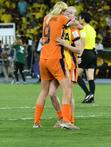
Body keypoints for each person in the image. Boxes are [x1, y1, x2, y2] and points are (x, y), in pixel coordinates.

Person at [33, 1, 76, 129]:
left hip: (43, 58)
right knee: (67, 89)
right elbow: (74, 24)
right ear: (62, 11)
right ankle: (66, 121)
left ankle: (36, 122)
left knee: (44, 91)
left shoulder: (46, 18)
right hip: (55, 57)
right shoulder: (62, 18)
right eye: (66, 11)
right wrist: (78, 22)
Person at [78, 12, 97, 103]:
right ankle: (91, 98)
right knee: (90, 78)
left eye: (80, 18)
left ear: (83, 19)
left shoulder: (83, 29)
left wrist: (79, 56)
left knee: (75, 75)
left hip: (85, 53)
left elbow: (82, 43)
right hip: (93, 53)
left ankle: (88, 93)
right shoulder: (92, 29)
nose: (79, 19)